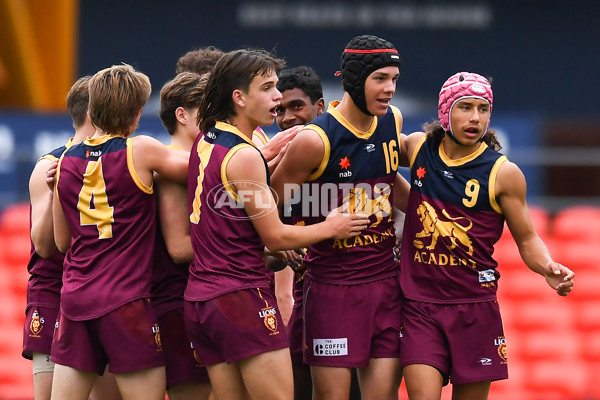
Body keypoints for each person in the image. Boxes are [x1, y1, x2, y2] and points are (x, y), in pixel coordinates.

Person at [185, 48, 370, 400]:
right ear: (239, 97)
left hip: (201, 300)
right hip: (240, 296)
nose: (277, 96)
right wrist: (333, 226)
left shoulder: (206, 138)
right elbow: (275, 235)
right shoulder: (245, 156)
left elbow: (233, 207)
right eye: (268, 88)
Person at [397, 72, 575, 400]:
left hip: (475, 308)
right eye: (465, 107)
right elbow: (371, 158)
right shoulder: (417, 148)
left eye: (483, 109)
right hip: (419, 304)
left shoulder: (504, 173)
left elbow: (527, 239)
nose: (475, 118)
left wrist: (547, 266)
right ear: (445, 111)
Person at [269, 35, 410, 400]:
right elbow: (267, 206)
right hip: (333, 289)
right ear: (353, 79)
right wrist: (312, 232)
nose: (390, 88)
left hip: (385, 283)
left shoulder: (391, 120)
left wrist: (438, 219)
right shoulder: (315, 140)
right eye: (380, 78)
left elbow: (390, 181)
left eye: (394, 78)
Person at [50, 64, 189, 400]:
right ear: (138, 112)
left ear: (92, 107)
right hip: (127, 304)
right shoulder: (140, 150)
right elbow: (206, 170)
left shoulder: (65, 160)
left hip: (76, 303)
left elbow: (61, 242)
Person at [24, 76, 122, 400]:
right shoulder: (49, 165)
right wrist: (56, 192)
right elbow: (42, 245)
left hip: (100, 293)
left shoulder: (118, 159)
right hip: (55, 292)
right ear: (95, 113)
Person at [153, 71, 212, 400]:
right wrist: (246, 245)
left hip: (205, 299)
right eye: (209, 108)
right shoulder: (170, 169)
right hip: (178, 304)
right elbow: (178, 248)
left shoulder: (201, 161)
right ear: (182, 115)